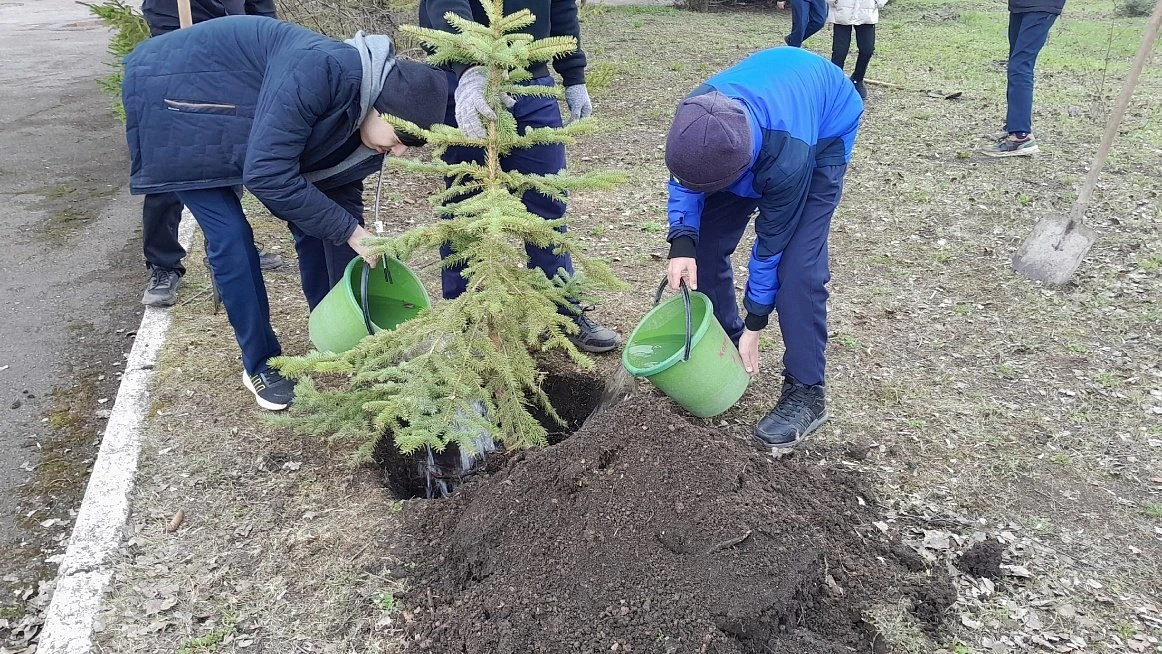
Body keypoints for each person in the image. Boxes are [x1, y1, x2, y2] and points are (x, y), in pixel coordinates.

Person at [123, 16, 448, 410]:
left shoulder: (366, 113)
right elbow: (267, 175)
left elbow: (336, 199)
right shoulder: (321, 72)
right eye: (398, 139)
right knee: (231, 236)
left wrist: (350, 292)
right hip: (175, 99)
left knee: (330, 222)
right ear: (381, 109)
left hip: (236, 106)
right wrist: (350, 231)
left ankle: (330, 326)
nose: (398, 152)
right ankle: (260, 363)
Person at [662, 46, 863, 448]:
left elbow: (772, 245)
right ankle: (725, 339)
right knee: (704, 246)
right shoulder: (695, 119)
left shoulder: (788, 160)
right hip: (765, 115)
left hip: (822, 128)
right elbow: (685, 182)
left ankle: (807, 392)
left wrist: (756, 322)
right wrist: (682, 242)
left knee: (798, 270)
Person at [418, 0, 622, 353]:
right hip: (465, 80)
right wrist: (470, 69)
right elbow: (445, 6)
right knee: (465, 208)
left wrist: (574, 76)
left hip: (532, 82)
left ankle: (562, 314)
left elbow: (562, 8)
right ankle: (465, 322)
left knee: (547, 204)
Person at [138, 0, 284, 308]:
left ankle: (228, 249)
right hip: (175, 33)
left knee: (228, 148)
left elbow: (261, 7)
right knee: (171, 159)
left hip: (235, 37)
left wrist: (267, 41)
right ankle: (164, 265)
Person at [985, 0, 1066, 157]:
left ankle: (1021, 136)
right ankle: (1013, 128)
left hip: (1041, 6)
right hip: (1021, 5)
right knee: (1015, 63)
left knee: (1020, 66)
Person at [829, 0, 888, 100]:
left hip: (867, 10)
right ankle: (835, 83)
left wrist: (878, 2)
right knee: (839, 51)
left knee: (867, 49)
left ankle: (857, 79)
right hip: (843, 8)